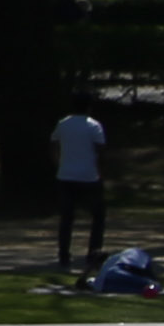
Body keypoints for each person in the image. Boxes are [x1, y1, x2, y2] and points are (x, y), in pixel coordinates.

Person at [52, 97, 106, 269]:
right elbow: (100, 149)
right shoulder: (93, 125)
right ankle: (93, 252)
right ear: (88, 108)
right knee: (98, 216)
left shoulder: (63, 124)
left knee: (67, 217)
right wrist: (100, 169)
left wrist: (58, 162)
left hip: (66, 175)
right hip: (88, 176)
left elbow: (54, 143)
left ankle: (64, 254)